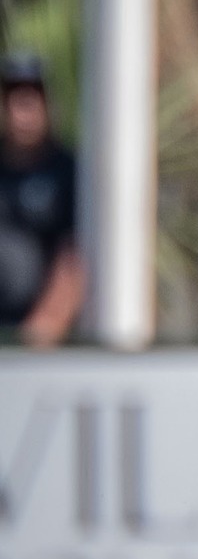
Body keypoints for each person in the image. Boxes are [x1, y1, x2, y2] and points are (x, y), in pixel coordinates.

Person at [0, 54, 83, 348]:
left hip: (42, 341)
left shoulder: (67, 170)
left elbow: (74, 255)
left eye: (31, 98)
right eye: (14, 99)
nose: (22, 111)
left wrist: (44, 327)